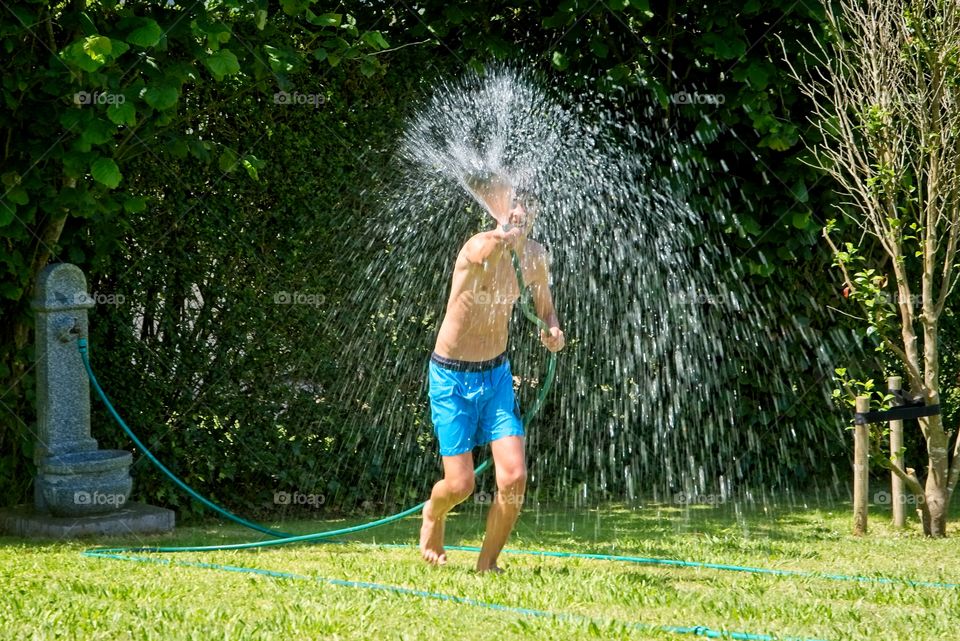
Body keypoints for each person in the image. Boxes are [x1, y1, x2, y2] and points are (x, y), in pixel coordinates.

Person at [419, 174, 565, 573]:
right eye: (512, 206)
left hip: (496, 375)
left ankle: (487, 564)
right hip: (451, 376)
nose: (519, 213)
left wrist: (552, 328)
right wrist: (503, 236)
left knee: (515, 477)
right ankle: (433, 512)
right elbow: (484, 254)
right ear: (500, 210)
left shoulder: (535, 257)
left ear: (534, 213)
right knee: (460, 486)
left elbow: (546, 306)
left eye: (526, 207)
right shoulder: (477, 246)